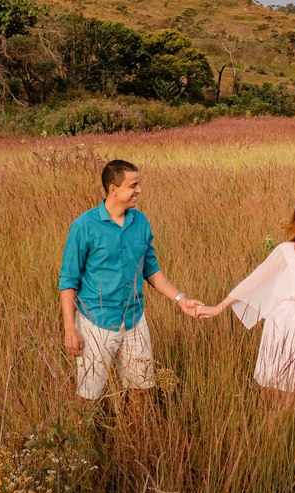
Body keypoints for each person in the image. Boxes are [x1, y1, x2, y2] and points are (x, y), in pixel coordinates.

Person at [59, 159, 201, 400]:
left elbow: (151, 269)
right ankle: (83, 437)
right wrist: (70, 329)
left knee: (141, 391)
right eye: (133, 185)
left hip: (135, 320)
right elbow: (68, 281)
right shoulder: (84, 226)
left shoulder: (140, 222)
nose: (139, 190)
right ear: (113, 189)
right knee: (88, 396)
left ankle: (134, 438)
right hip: (96, 323)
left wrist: (180, 299)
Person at [196, 195, 295, 397]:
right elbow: (254, 280)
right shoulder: (288, 251)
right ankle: (271, 427)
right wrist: (218, 307)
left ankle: (283, 427)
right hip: (285, 326)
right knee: (284, 393)